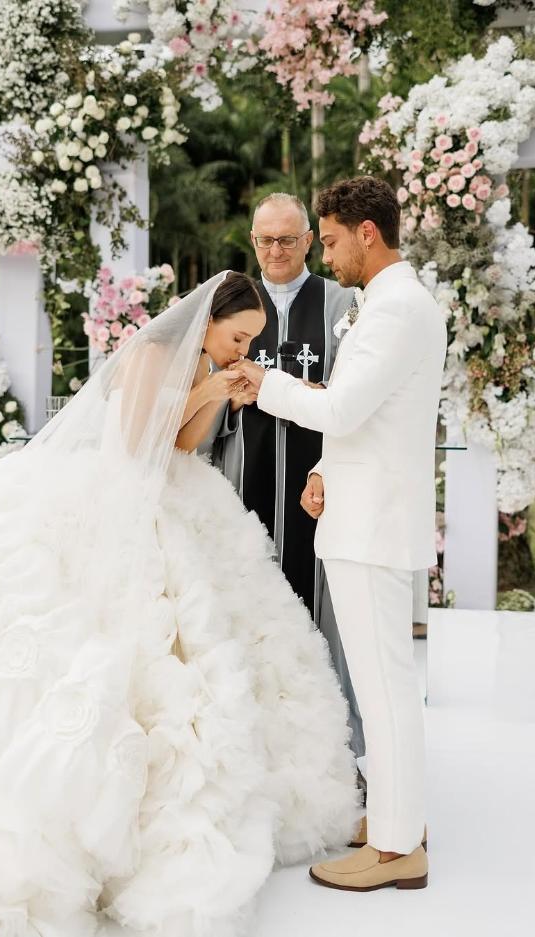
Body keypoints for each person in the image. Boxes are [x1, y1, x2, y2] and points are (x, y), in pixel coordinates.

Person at [0, 271, 360, 936]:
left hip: (177, 492)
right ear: (209, 317)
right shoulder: (151, 355)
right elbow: (137, 445)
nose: (240, 351)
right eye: (238, 337)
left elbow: (182, 443)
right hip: (122, 502)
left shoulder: (205, 361)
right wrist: (209, 385)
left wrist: (217, 391)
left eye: (248, 344)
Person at [239, 177, 446, 892]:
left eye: (327, 241)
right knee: (383, 686)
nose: (325, 256)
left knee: (386, 691)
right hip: (363, 513)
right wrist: (327, 467)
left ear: (367, 232)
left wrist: (258, 382)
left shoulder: (393, 311)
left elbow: (346, 406)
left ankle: (397, 849)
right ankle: (393, 816)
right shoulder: (385, 305)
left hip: (373, 528)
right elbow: (372, 418)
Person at [215, 193, 366, 761]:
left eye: (288, 239)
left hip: (317, 487)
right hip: (242, 481)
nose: (275, 250)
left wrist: (277, 390)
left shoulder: (341, 305)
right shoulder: (232, 302)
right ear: (252, 240)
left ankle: (328, 751)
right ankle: (252, 748)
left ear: (308, 241)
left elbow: (354, 396)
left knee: (321, 618)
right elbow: (209, 387)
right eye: (264, 240)